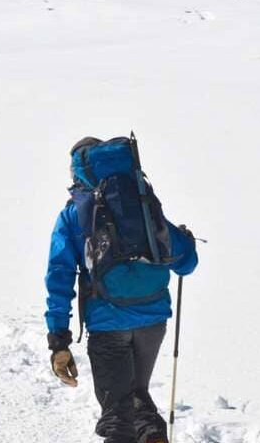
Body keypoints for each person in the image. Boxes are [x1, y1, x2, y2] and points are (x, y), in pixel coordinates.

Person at [46, 136, 199, 443]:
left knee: (117, 415)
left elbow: (59, 277)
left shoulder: (75, 215)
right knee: (136, 396)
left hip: (108, 324)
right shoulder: (140, 204)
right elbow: (186, 263)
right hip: (153, 319)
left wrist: (59, 341)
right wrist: (187, 240)